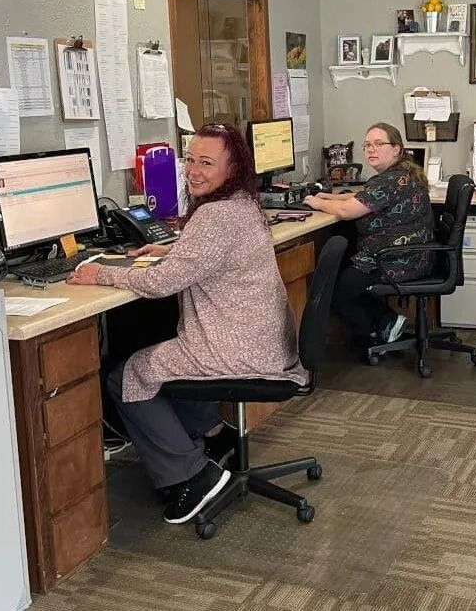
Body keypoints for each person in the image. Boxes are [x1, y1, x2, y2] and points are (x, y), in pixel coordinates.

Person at [67, 123, 306, 525]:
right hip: (261, 340)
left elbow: (160, 283)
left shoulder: (215, 216)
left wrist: (100, 274)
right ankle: (216, 434)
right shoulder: (243, 203)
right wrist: (176, 247)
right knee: (155, 351)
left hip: (236, 349)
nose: (194, 170)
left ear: (232, 169)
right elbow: (212, 253)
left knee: (126, 376)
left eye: (206, 163)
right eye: (190, 160)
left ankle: (192, 476)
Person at [303, 122, 434, 349]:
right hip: (413, 254)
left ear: (396, 149)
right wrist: (329, 198)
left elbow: (347, 212)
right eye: (367, 145)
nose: (371, 150)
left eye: (378, 144)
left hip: (398, 259)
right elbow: (362, 197)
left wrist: (315, 202)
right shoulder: (401, 174)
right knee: (341, 275)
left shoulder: (389, 181)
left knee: (334, 288)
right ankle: (386, 323)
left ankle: (376, 332)